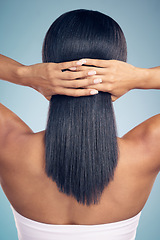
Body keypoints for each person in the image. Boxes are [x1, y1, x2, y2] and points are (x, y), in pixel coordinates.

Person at [0, 9, 160, 240]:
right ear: (120, 67)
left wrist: (23, 74)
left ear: (47, 65)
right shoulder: (149, 147)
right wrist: (142, 77)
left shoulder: (8, 142)